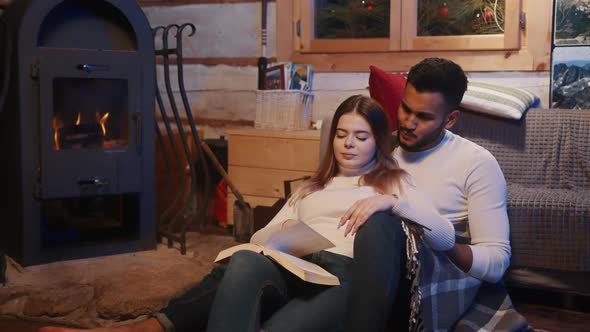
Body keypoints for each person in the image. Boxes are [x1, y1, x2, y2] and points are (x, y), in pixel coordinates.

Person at [40, 95, 455, 332]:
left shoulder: (394, 181)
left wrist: (390, 202)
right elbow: (260, 241)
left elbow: (445, 236)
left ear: (376, 140)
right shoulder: (313, 187)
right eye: (341, 135)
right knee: (243, 259)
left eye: (361, 136)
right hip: (299, 267)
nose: (348, 145)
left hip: (346, 279)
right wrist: (287, 230)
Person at [343, 57, 514, 331]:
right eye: (405, 109)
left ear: (451, 119)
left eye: (423, 117)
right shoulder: (380, 148)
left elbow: (496, 263)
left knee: (380, 223)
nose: (408, 123)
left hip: (431, 283)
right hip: (360, 268)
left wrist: (443, 243)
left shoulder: (476, 163)